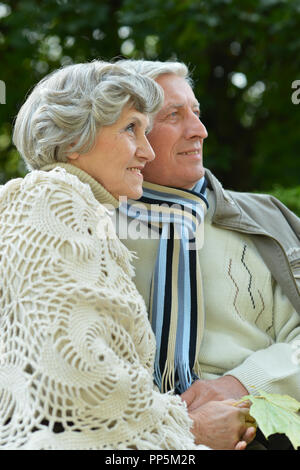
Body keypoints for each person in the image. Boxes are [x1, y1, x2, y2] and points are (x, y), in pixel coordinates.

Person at [0, 60, 255, 450]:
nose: (147, 150)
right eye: (131, 129)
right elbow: (77, 374)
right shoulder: (49, 200)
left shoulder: (84, 213)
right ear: (73, 143)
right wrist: (193, 431)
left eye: (147, 130)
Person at [115, 59, 300, 449]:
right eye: (174, 115)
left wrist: (240, 385)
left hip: (266, 431)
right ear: (130, 133)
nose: (200, 131)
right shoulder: (81, 227)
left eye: (196, 113)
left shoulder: (269, 219)